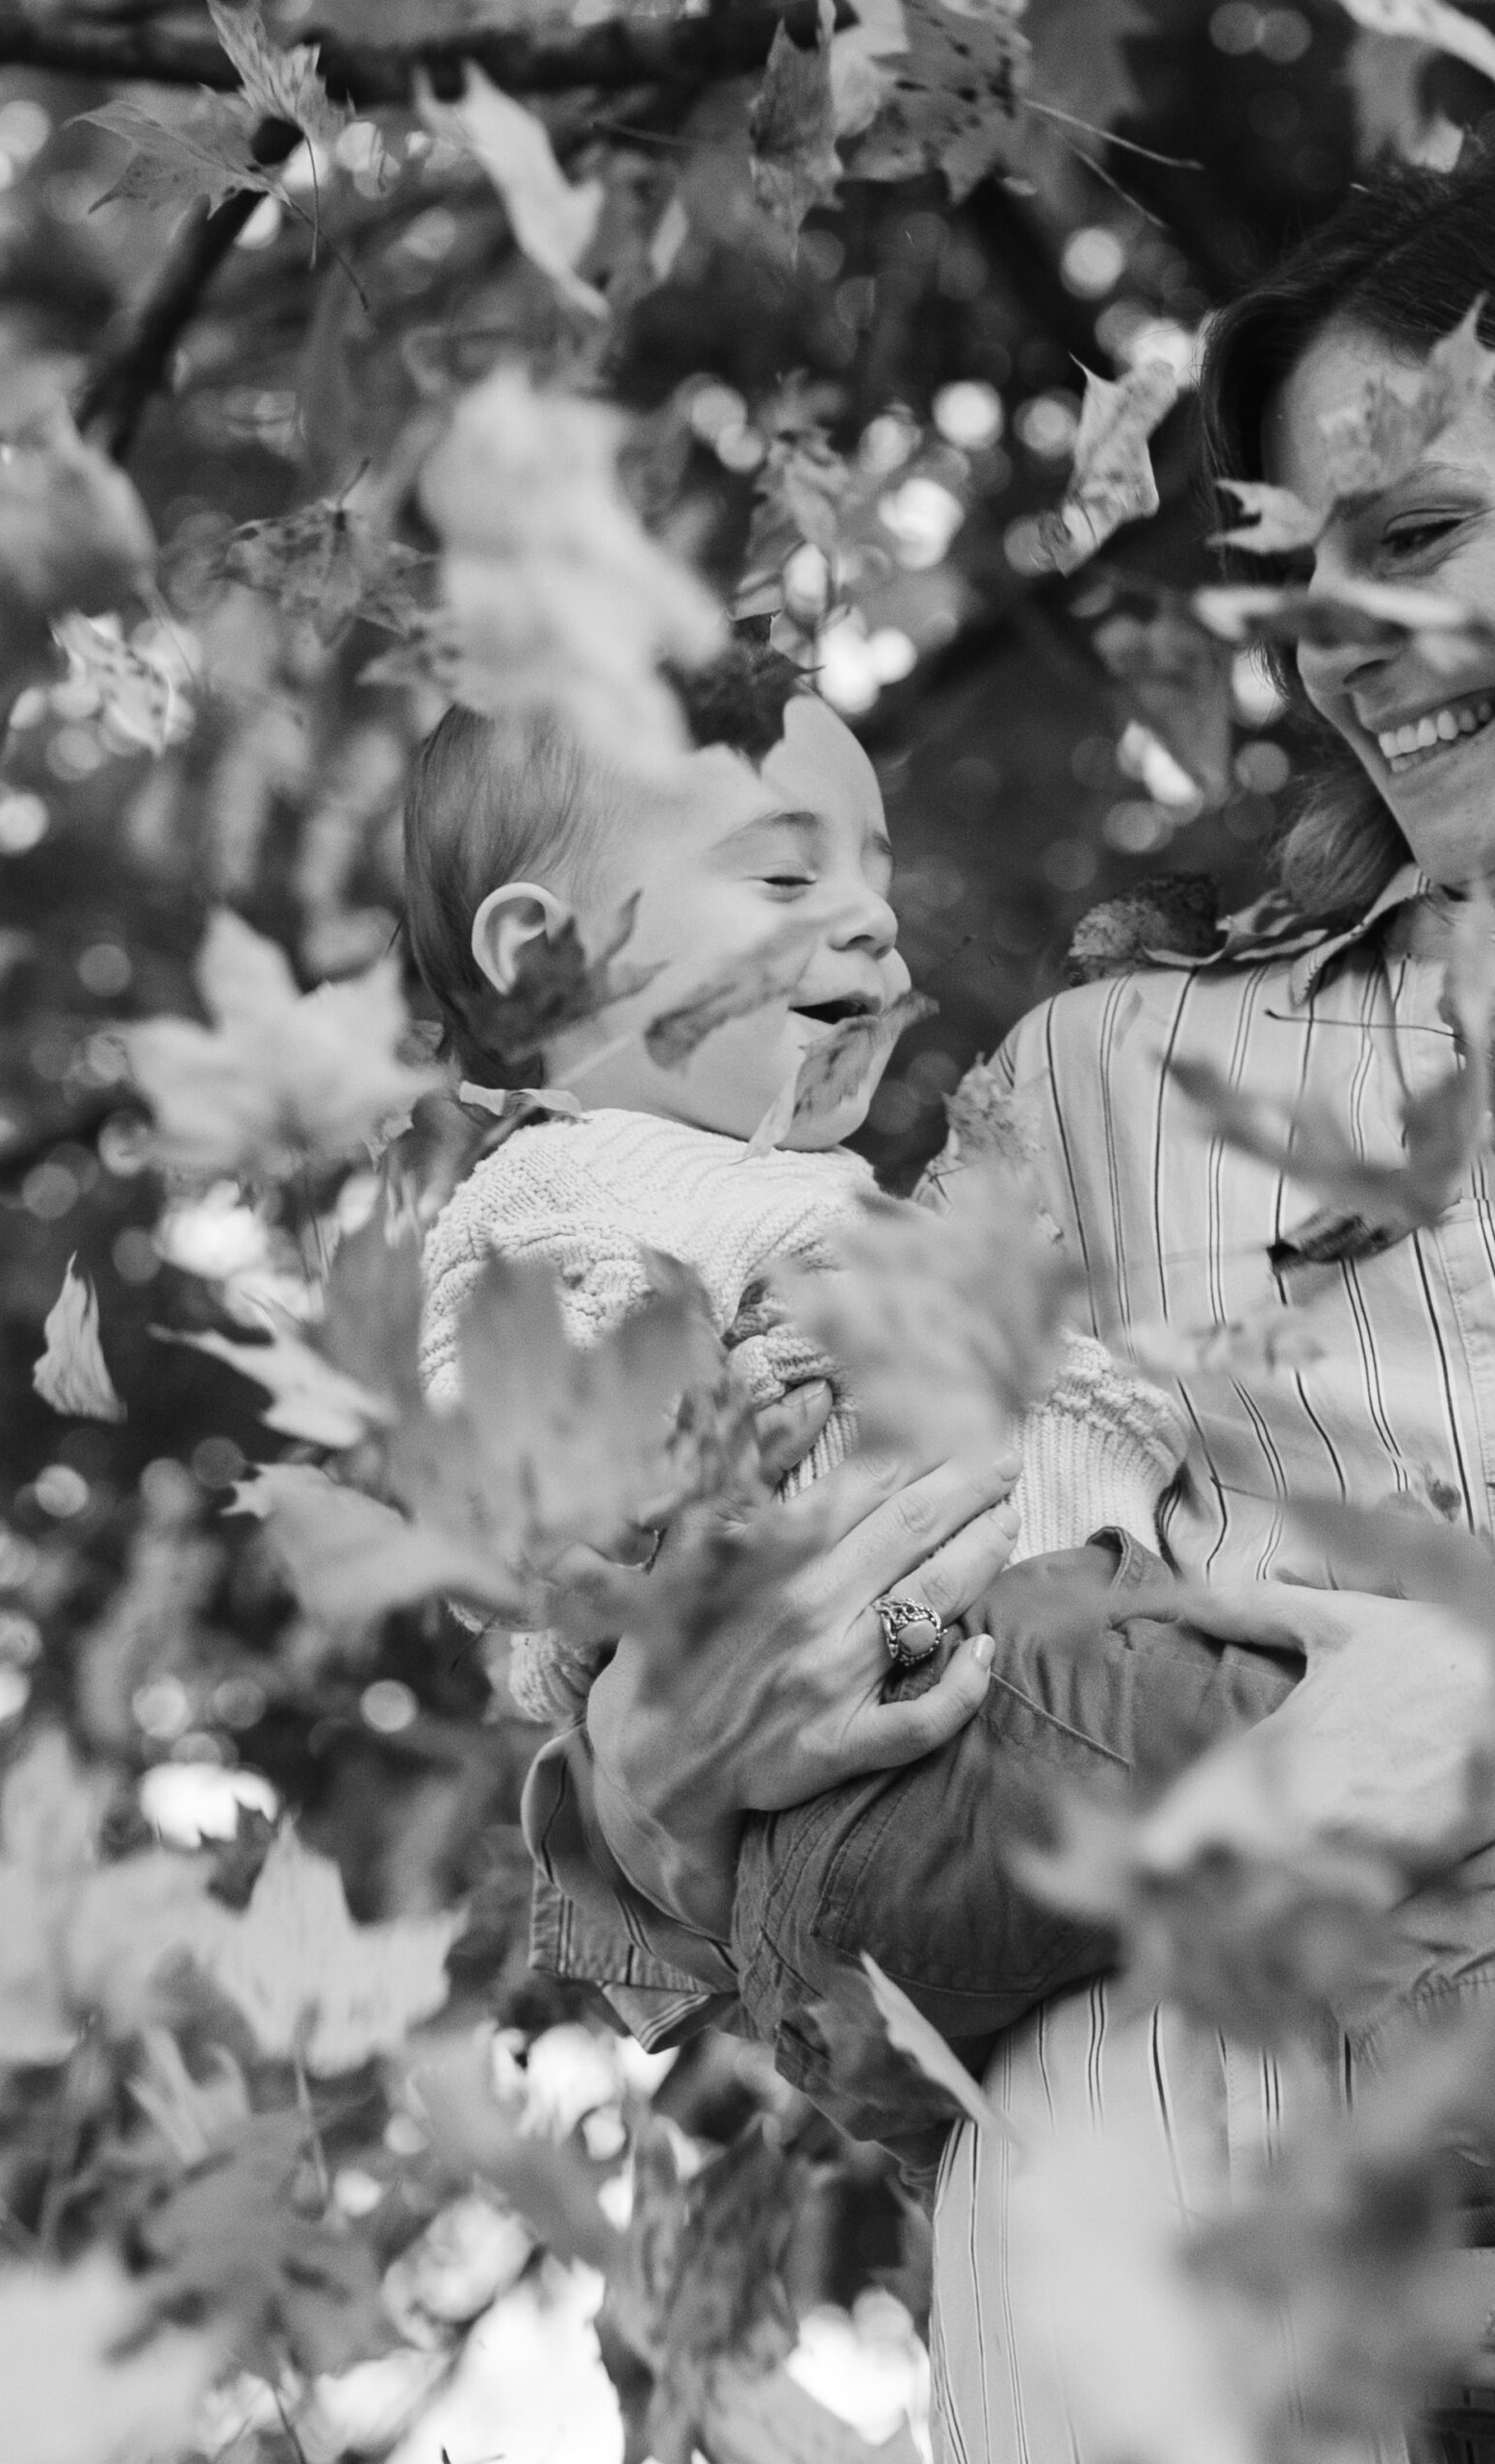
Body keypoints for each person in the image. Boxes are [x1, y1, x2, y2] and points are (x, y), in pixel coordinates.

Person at [525, 154, 1495, 2464]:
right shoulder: (1112, 1082)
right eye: (1301, 564)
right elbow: (791, 1598)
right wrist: (648, 1792)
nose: (1345, 628)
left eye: (1429, 531)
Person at [402, 650, 1386, 2180]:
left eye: (873, 872)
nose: (869, 914)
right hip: (941, 1751)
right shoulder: (565, 1189)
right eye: (784, 873)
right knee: (1346, 1725)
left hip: (967, 1763)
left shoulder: (788, 1195)